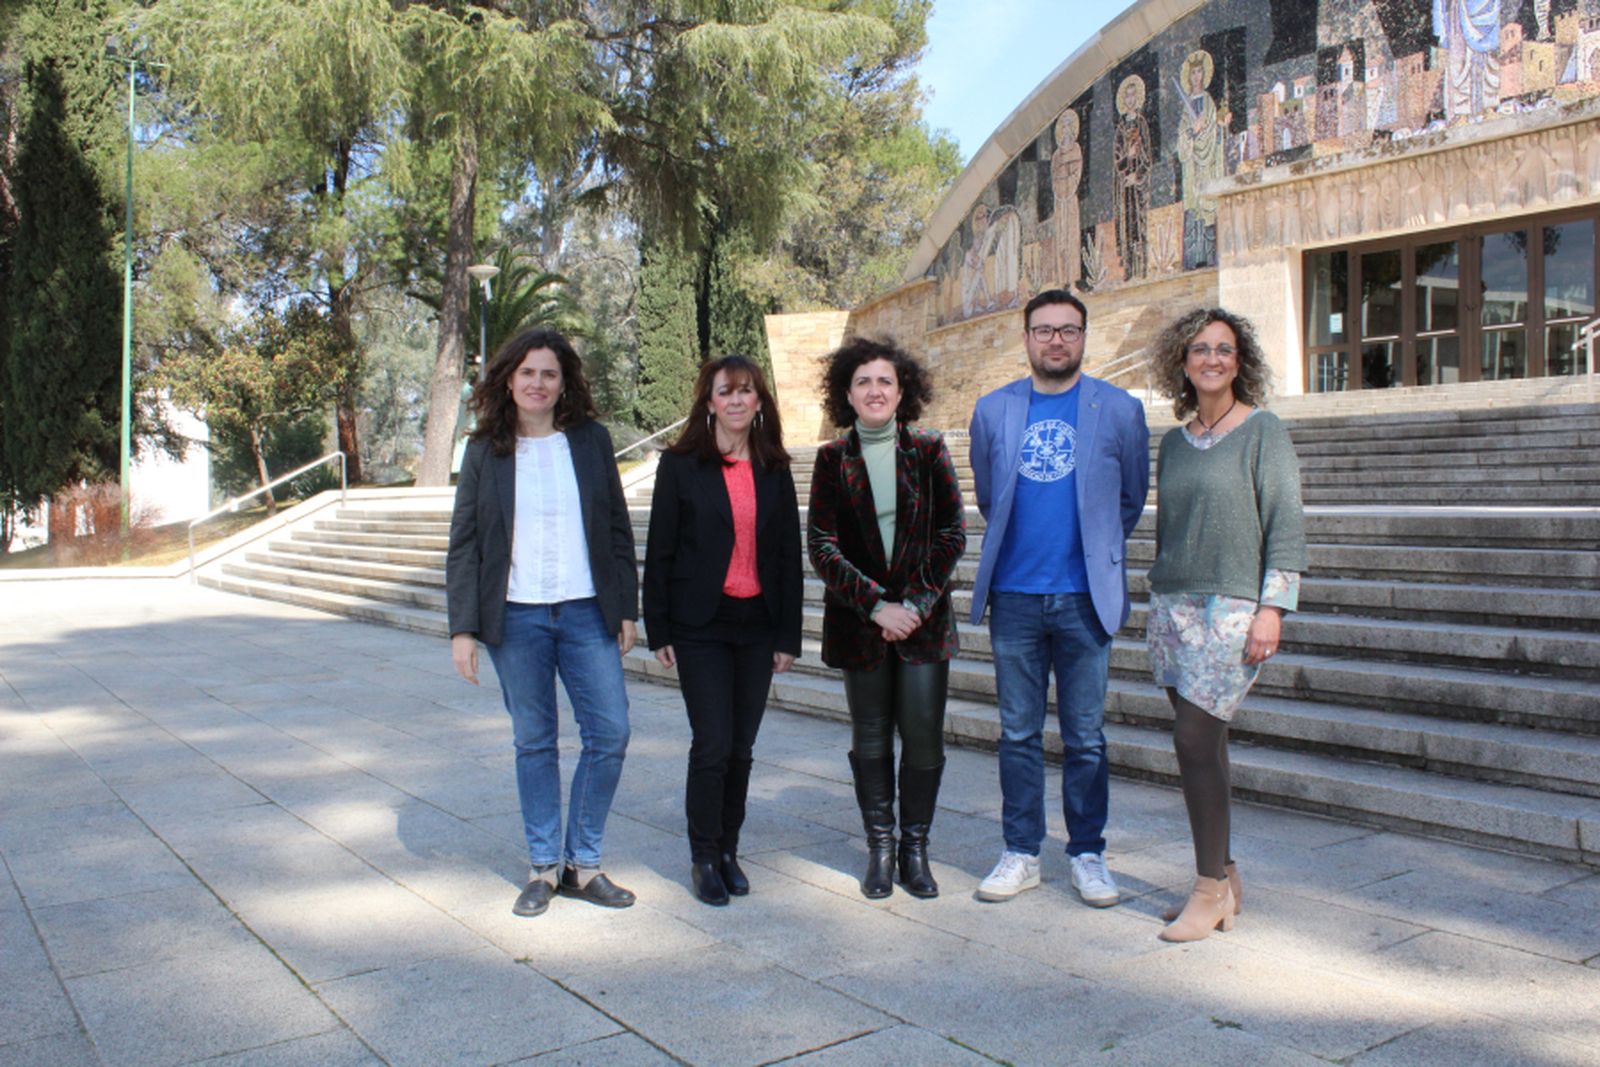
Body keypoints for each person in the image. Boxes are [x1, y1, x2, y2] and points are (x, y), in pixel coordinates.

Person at [446, 327, 638, 918]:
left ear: (564, 383)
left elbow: (615, 527)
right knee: (534, 742)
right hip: (517, 618)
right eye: (527, 372)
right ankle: (542, 868)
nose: (537, 383)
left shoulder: (591, 442)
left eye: (549, 374)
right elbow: (466, 543)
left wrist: (625, 606)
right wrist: (462, 629)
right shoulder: (485, 450)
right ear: (509, 379)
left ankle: (583, 861)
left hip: (586, 611)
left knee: (610, 733)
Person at [968, 289, 1150, 907]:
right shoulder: (994, 410)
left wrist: (1095, 550)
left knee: (1086, 737)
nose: (1055, 341)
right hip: (1016, 597)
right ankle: (1021, 851)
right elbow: (992, 498)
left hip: (1084, 598)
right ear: (1025, 339)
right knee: (1017, 733)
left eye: (1067, 330)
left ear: (1083, 337)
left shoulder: (1120, 409)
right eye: (1043, 330)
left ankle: (1087, 853)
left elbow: (1128, 500)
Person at [1145, 307, 1306, 942]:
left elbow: (1286, 522)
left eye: (1225, 350)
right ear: (1182, 362)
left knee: (1192, 741)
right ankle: (1226, 876)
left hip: (1233, 609)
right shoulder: (1173, 441)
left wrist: (1273, 608)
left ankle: (1208, 889)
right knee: (1204, 747)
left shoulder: (1264, 431)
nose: (1212, 359)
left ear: (1241, 362)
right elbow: (1168, 530)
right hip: (1173, 608)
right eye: (1200, 349)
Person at [807, 338, 967, 900]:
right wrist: (877, 605)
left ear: (903, 391)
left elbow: (952, 534)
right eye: (863, 382)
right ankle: (879, 848)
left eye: (885, 382)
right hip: (861, 624)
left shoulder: (929, 449)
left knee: (923, 739)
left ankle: (914, 850)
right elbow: (823, 546)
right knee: (870, 735)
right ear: (846, 394)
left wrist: (915, 605)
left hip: (924, 626)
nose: (875, 391)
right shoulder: (831, 459)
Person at [643, 355, 802, 907]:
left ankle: (730, 849)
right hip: (699, 625)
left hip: (758, 625)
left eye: (747, 392)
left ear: (760, 401)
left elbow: (787, 555)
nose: (737, 401)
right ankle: (704, 856)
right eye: (725, 392)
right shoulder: (682, 464)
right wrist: (656, 624)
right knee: (712, 744)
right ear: (708, 401)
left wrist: (788, 636)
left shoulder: (775, 466)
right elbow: (660, 550)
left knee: (742, 747)